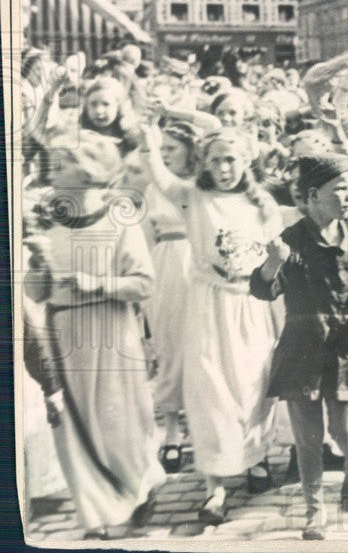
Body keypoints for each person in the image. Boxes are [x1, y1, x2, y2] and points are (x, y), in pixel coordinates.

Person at [28, 131, 165, 539]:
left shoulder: (117, 219)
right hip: (62, 331)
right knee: (73, 425)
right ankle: (101, 513)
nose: (50, 167)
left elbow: (143, 283)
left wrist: (96, 282)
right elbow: (36, 293)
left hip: (111, 331)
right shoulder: (45, 223)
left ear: (90, 172)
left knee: (118, 421)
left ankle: (141, 482)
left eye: (62, 161)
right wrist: (37, 266)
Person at [141, 126, 281, 524]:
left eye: (231, 159)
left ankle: (257, 461)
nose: (224, 168)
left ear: (246, 160)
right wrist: (150, 143)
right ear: (204, 162)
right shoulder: (193, 198)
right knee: (210, 387)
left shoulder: (262, 203)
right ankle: (213, 487)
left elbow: (274, 260)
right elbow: (161, 178)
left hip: (250, 303)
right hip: (207, 303)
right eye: (217, 160)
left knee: (254, 381)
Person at [250, 154, 348, 540]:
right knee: (308, 437)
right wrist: (272, 264)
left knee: (344, 432)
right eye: (338, 189)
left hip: (347, 346)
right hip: (301, 345)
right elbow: (263, 289)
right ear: (312, 196)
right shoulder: (290, 239)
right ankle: (315, 510)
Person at [142, 121, 201, 473]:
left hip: (199, 263)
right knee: (169, 347)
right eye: (160, 149)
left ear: (191, 151)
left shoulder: (203, 185)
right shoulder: (153, 189)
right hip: (166, 268)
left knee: (203, 345)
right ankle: (173, 434)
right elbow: (147, 236)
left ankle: (206, 425)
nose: (164, 156)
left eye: (171, 149)